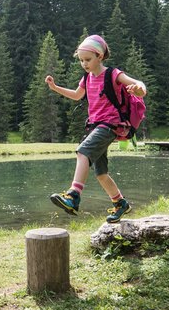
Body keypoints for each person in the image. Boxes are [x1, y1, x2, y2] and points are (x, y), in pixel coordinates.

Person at [46, 34, 147, 223]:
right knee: (101, 173)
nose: (84, 64)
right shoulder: (86, 78)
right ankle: (120, 203)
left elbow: (140, 85)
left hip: (111, 125)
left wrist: (138, 89)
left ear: (100, 56)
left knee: (83, 151)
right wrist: (55, 88)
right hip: (95, 126)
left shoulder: (113, 74)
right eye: (81, 60)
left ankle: (73, 196)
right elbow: (77, 96)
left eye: (88, 59)